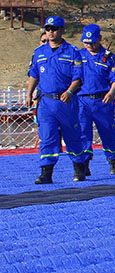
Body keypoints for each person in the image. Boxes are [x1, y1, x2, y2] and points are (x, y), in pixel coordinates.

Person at [26, 15, 89, 184]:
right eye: (48, 29)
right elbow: (34, 74)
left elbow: (78, 76)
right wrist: (29, 93)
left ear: (62, 30)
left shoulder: (72, 52)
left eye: (54, 29)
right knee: (47, 137)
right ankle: (46, 172)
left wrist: (69, 91)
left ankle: (79, 167)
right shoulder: (39, 52)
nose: (50, 32)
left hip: (66, 102)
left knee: (72, 135)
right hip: (46, 102)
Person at [77, 24, 115, 175]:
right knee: (83, 133)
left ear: (100, 39)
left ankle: (113, 160)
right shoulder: (78, 56)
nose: (89, 45)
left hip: (102, 100)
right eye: (86, 42)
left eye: (93, 42)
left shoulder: (109, 57)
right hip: (82, 101)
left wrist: (111, 92)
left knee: (107, 132)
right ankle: (84, 163)